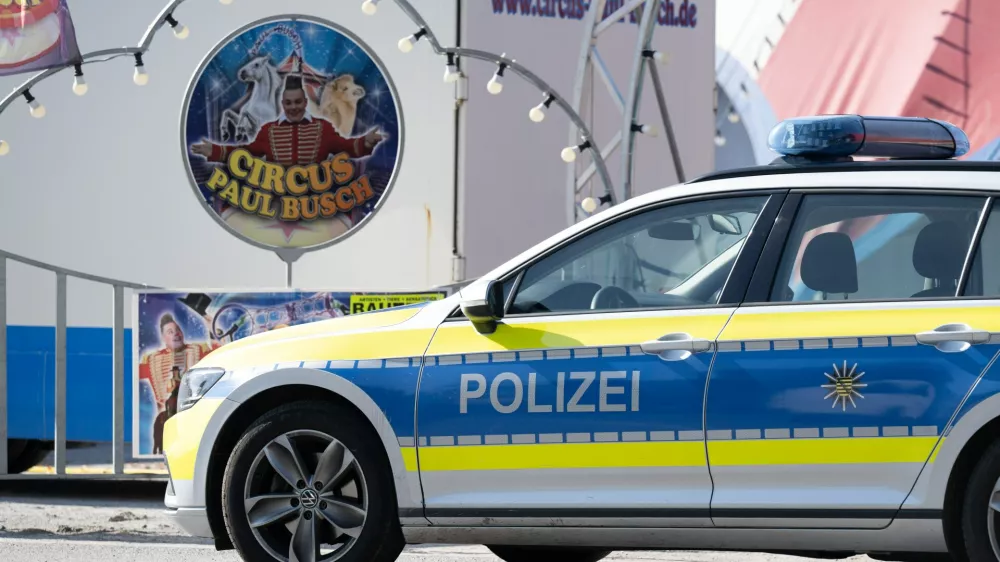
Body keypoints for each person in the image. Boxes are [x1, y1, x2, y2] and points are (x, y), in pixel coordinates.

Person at [190, 74, 386, 166]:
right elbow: (247, 153)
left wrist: (366, 141)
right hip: (277, 199)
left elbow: (346, 147)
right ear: (283, 104)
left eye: (298, 102)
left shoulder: (322, 127)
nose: (294, 107)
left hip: (316, 200)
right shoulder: (269, 130)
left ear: (304, 102)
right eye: (289, 103)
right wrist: (215, 150)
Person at [138, 314, 219, 454]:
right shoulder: (151, 358)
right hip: (165, 418)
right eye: (170, 332)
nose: (176, 334)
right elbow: (133, 372)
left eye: (178, 330)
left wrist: (210, 325)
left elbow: (219, 354)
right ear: (163, 338)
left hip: (192, 414)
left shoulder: (199, 349)